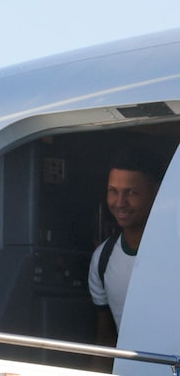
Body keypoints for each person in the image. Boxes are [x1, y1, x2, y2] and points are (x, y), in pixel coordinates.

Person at [88, 147, 164, 355]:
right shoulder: (102, 258)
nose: (120, 203)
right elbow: (106, 339)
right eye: (113, 191)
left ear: (157, 192)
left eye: (131, 192)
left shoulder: (172, 251)